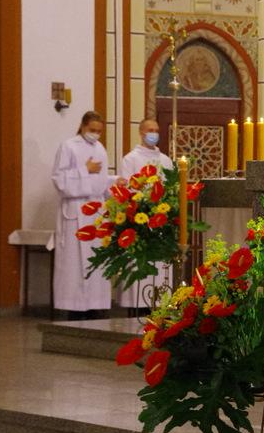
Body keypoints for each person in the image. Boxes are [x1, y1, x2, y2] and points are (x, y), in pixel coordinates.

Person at [51, 111, 119, 319]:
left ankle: (95, 304)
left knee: (96, 260)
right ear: (82, 126)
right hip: (76, 211)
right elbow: (59, 179)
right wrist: (84, 169)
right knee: (74, 262)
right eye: (92, 130)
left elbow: (100, 182)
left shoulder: (100, 149)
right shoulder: (68, 146)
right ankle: (74, 307)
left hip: (96, 212)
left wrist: (114, 182)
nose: (95, 134)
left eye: (99, 131)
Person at [117, 118, 173, 311]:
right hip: (138, 220)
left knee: (159, 266)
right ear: (141, 132)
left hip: (161, 220)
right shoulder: (130, 159)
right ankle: (136, 305)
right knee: (139, 264)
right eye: (150, 130)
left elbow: (170, 188)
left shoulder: (165, 161)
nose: (153, 134)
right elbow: (127, 190)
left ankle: (160, 303)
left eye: (156, 130)